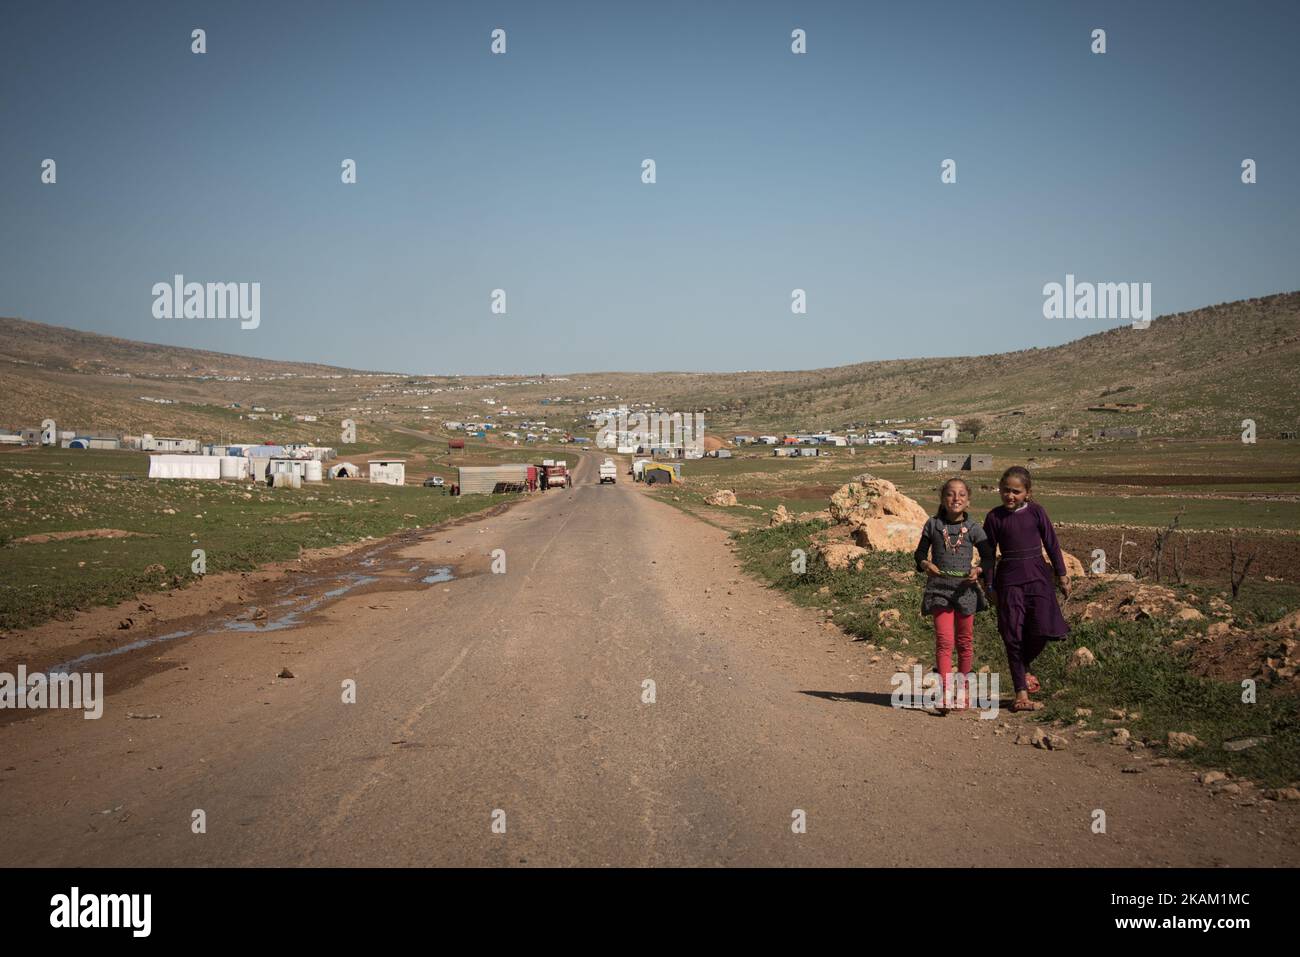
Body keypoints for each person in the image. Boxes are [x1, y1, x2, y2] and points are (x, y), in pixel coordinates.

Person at [982, 466, 1071, 712]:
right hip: (1009, 581)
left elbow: (1052, 544)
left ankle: (1023, 665)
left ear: (1027, 493)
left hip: (1038, 578)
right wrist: (989, 584)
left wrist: (1062, 574)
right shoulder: (994, 517)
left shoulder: (1036, 513)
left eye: (1016, 492)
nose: (1010, 496)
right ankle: (1021, 693)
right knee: (1012, 634)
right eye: (1005, 490)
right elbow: (988, 554)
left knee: (1043, 628)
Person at [914, 478, 994, 713]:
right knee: (944, 641)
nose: (956, 498)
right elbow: (919, 554)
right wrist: (925, 563)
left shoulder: (975, 529)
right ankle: (945, 693)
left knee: (964, 642)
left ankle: (963, 691)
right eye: (950, 494)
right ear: (942, 499)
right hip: (939, 589)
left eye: (961, 495)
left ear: (968, 500)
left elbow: (989, 557)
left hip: (965, 591)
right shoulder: (933, 525)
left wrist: (978, 570)